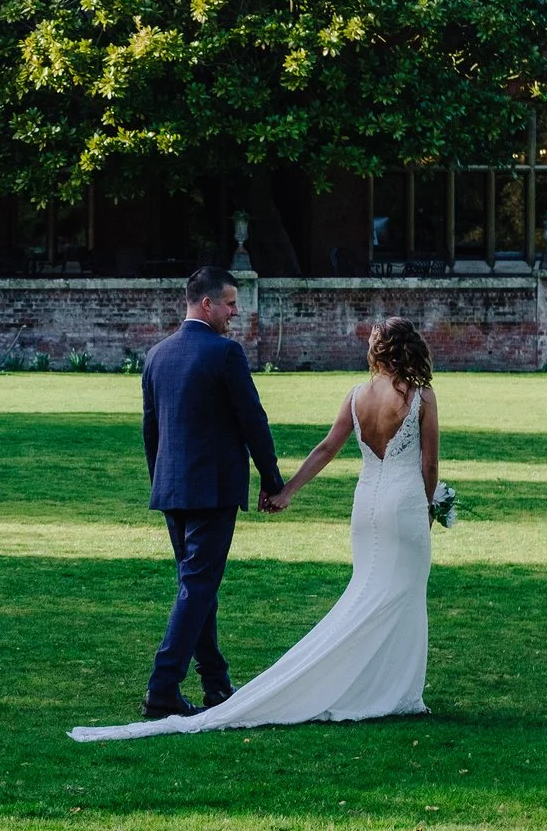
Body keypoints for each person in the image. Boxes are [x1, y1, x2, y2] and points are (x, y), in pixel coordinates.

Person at [72, 316, 436, 741]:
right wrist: (431, 502)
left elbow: (325, 449)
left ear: (378, 351)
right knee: (402, 594)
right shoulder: (421, 397)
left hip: (364, 506)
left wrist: (286, 493)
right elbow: (428, 464)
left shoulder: (356, 397)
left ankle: (224, 681)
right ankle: (396, 691)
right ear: (409, 347)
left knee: (367, 590)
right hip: (403, 502)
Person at [117, 265, 286, 722]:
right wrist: (274, 484)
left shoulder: (156, 355)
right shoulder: (225, 354)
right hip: (213, 489)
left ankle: (215, 682)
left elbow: (151, 430)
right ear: (206, 303)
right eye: (230, 303)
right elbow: (254, 423)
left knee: (196, 586)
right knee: (198, 585)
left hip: (172, 487)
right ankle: (163, 687)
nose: (236, 311)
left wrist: (161, 481)